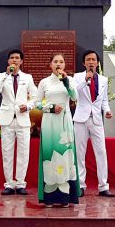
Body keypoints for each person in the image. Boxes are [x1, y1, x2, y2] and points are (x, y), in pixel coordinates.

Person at [35, 53, 80, 207]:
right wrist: (51, 107)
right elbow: (36, 103)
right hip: (49, 122)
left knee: (65, 155)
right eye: (55, 62)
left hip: (65, 122)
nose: (58, 64)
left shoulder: (70, 80)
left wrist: (66, 81)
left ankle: (65, 198)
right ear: (50, 65)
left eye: (61, 62)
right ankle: (49, 197)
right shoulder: (44, 82)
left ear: (64, 65)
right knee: (50, 154)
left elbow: (74, 97)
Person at [0, 49, 37, 195]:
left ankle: (21, 183)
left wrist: (28, 106)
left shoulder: (27, 77)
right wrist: (6, 75)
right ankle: (9, 184)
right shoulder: (2, 76)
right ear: (8, 61)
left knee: (24, 152)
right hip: (7, 119)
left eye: (17, 58)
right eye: (12, 58)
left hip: (23, 119)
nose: (14, 60)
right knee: (7, 152)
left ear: (21, 61)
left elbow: (35, 97)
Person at [73, 50, 115, 197]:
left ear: (97, 63)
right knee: (80, 153)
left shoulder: (103, 80)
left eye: (94, 59)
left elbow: (104, 100)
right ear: (84, 63)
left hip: (96, 120)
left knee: (101, 152)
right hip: (80, 119)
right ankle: (80, 185)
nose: (91, 62)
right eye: (88, 59)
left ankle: (103, 186)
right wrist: (86, 80)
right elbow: (74, 93)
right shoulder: (77, 77)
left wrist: (107, 111)